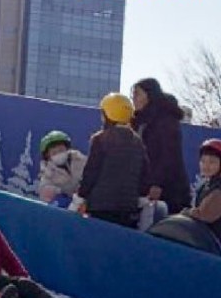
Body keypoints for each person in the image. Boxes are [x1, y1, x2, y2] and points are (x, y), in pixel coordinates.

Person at [77, 92, 150, 228]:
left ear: (107, 115)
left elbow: (91, 171)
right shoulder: (137, 142)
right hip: (128, 207)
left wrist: (81, 195)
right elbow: (145, 175)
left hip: (100, 206)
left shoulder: (100, 139)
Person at [131, 77, 192, 214]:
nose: (133, 98)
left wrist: (157, 183)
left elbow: (169, 155)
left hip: (169, 190)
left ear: (149, 95)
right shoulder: (138, 121)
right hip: (143, 187)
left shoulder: (166, 120)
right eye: (132, 94)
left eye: (137, 94)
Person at [182, 139, 221, 243]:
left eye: (212, 162)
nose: (206, 166)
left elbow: (204, 215)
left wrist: (187, 213)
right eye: (203, 161)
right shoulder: (206, 184)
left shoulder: (218, 189)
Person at [37, 130, 87, 206]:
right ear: (48, 156)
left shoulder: (80, 160)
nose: (59, 154)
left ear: (67, 149)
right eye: (54, 153)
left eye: (61, 150)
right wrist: (65, 196)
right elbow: (45, 194)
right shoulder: (47, 173)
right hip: (68, 206)